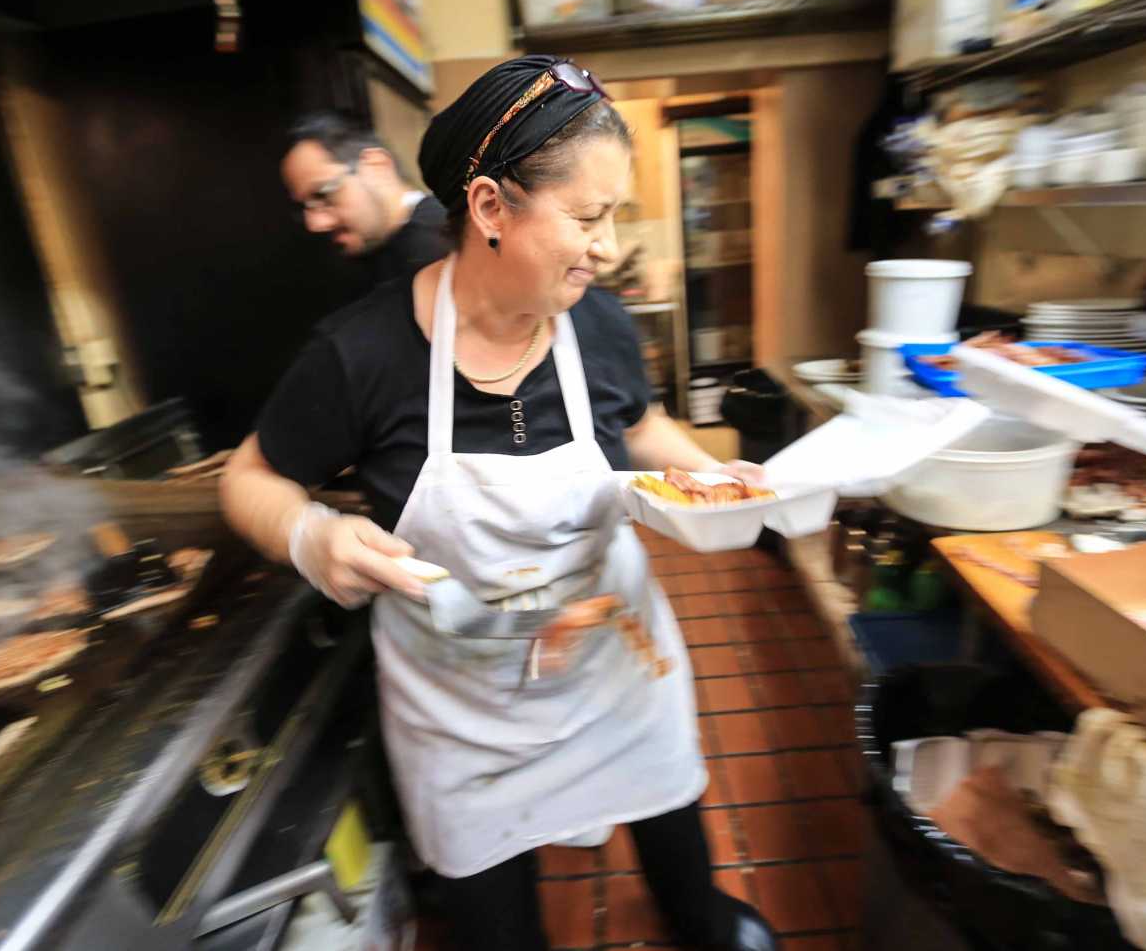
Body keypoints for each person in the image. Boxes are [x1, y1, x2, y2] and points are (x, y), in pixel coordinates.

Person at [224, 55, 779, 951]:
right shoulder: (360, 355)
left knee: (676, 830)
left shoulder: (593, 319)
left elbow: (640, 423)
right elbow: (247, 478)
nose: (605, 247)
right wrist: (308, 533)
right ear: (488, 207)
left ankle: (699, 918)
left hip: (614, 666)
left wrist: (713, 473)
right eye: (589, 218)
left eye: (612, 216)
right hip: (462, 713)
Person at [282, 112, 448, 304]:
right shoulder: (375, 255)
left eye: (323, 194)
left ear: (376, 167)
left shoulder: (449, 247)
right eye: (304, 206)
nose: (315, 223)